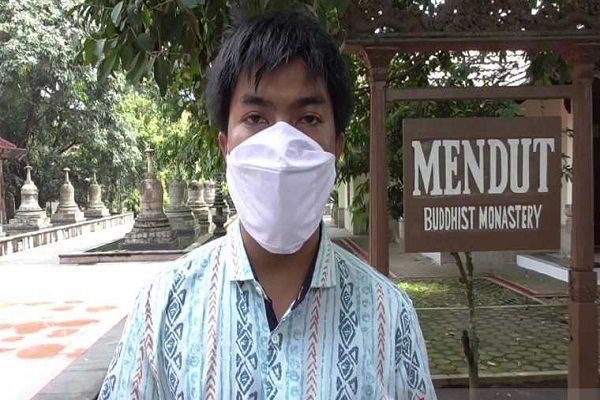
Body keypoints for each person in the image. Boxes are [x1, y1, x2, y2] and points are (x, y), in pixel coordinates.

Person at [98, 11, 437, 400]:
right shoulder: (161, 308)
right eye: (256, 118)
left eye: (308, 118)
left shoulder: (388, 315)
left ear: (337, 149)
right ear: (226, 146)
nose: (281, 144)